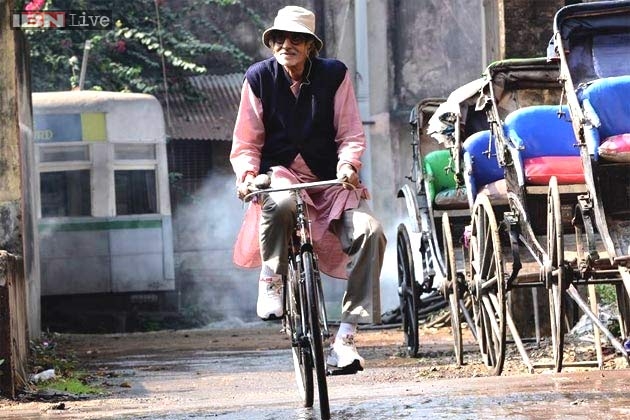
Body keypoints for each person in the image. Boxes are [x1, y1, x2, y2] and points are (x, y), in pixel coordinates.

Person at [230, 5, 386, 372]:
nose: (287, 45)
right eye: (280, 38)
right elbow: (247, 142)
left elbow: (349, 133)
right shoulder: (258, 79)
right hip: (280, 174)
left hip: (329, 182)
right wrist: (248, 176)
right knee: (280, 200)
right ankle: (272, 278)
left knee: (372, 233)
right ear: (272, 44)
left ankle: (345, 338)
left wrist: (348, 164)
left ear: (310, 46)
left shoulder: (335, 75)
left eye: (297, 39)